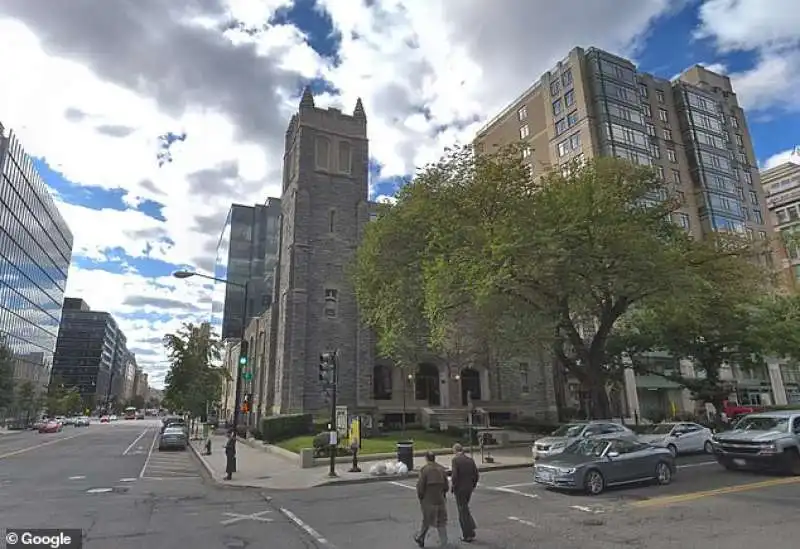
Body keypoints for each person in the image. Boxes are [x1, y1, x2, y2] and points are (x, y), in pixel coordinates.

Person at [414, 451, 449, 548]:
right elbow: (446, 486)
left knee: (427, 520)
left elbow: (420, 486)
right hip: (440, 499)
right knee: (441, 522)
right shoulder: (441, 469)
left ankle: (421, 538)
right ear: (434, 458)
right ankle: (444, 543)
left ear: (426, 458)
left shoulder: (424, 470)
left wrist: (421, 497)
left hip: (429, 499)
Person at [450, 443, 479, 542]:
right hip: (469, 488)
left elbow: (454, 476)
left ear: (455, 450)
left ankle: (467, 534)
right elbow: (476, 474)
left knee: (462, 511)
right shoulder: (470, 460)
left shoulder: (455, 460)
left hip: (460, 489)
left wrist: (453, 487)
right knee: (465, 508)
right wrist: (473, 485)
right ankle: (471, 528)